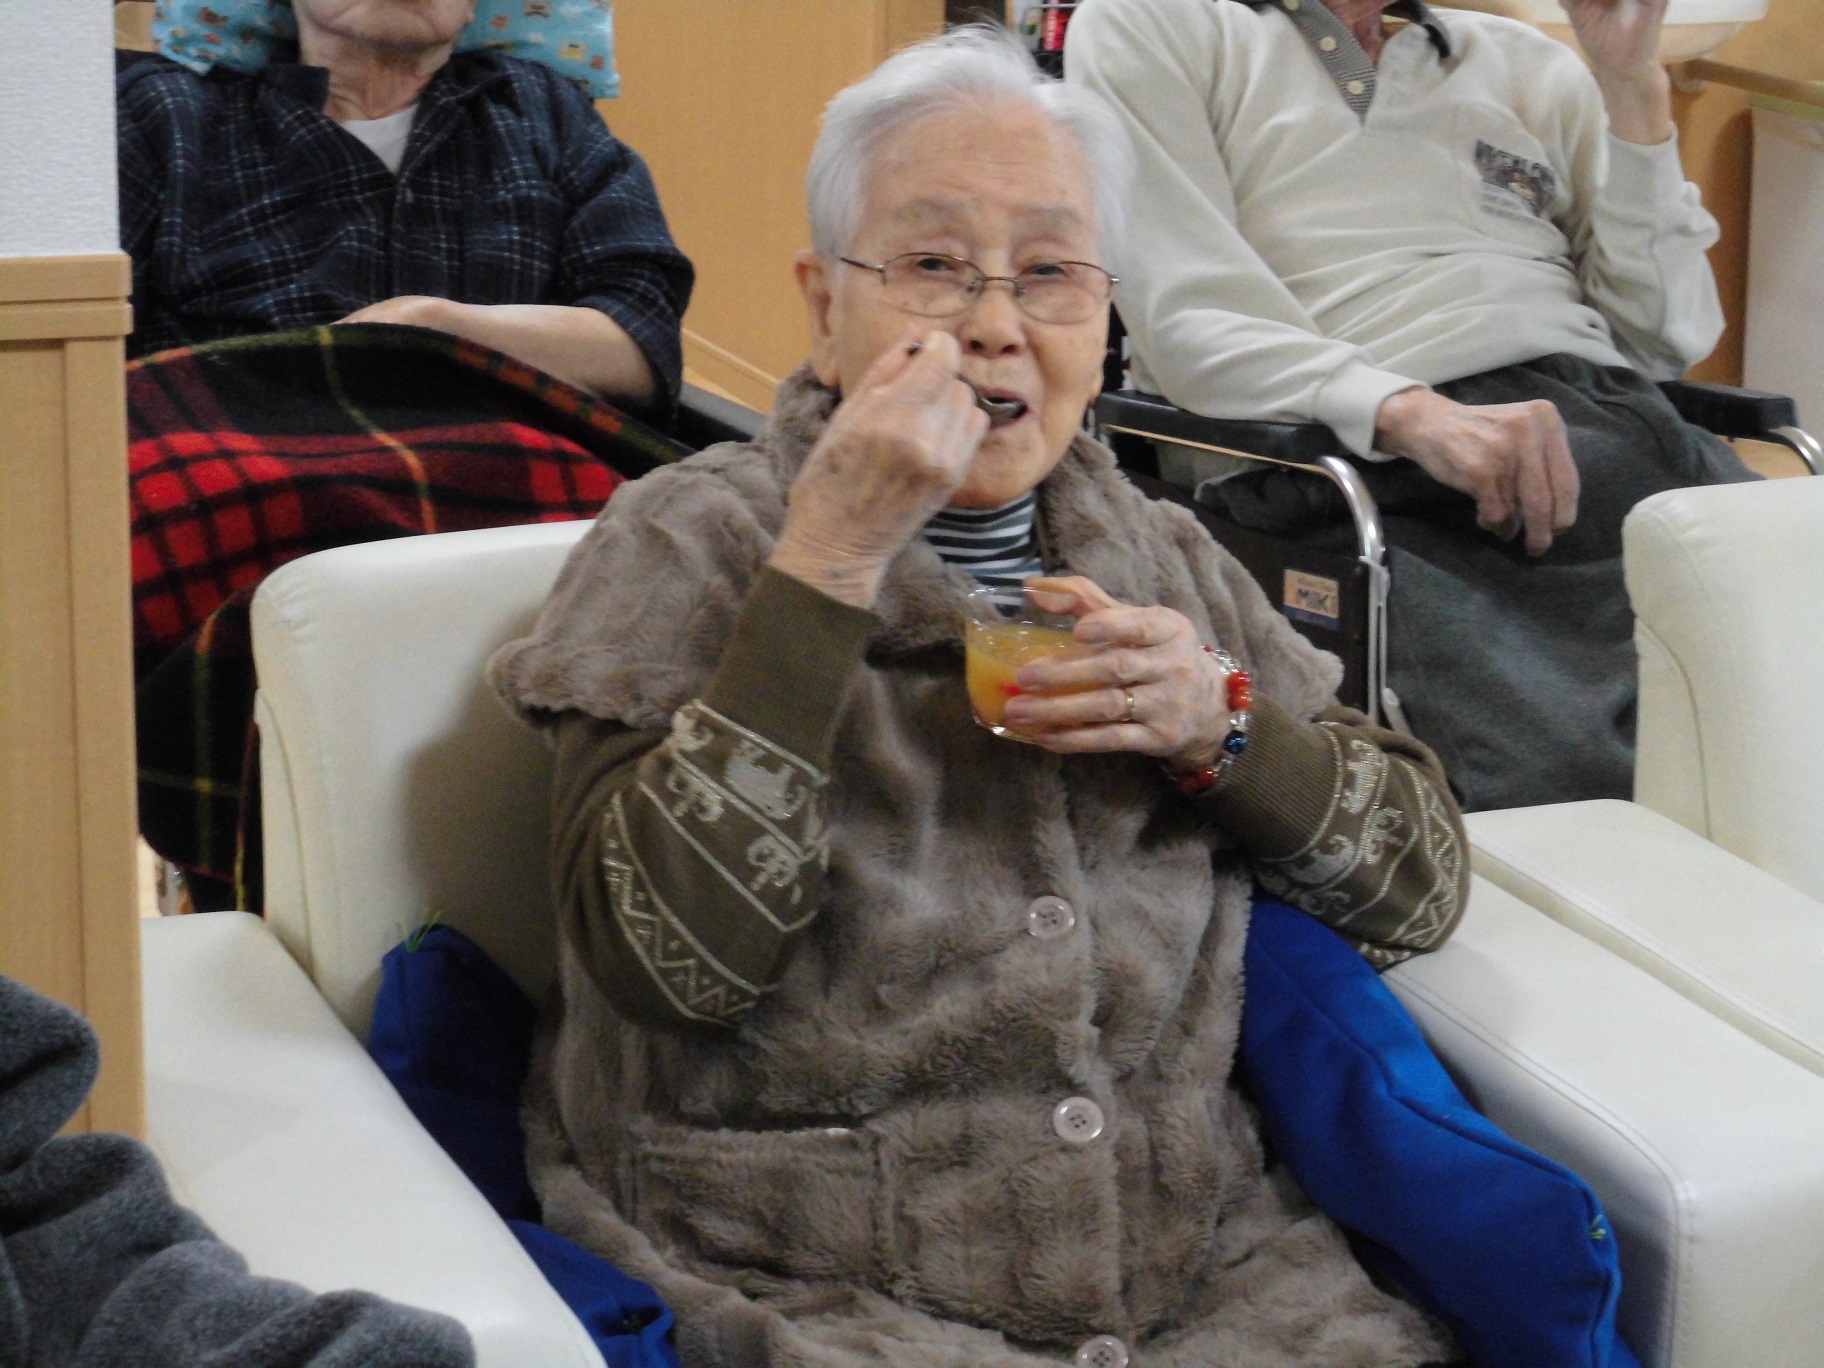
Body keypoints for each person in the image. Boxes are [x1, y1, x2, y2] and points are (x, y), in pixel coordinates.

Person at [490, 28, 1469, 1368]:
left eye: (1052, 273)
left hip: (1206, 1283)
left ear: (1106, 322)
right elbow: (670, 967)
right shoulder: (686, 543)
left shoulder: (1168, 559)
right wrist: (829, 561)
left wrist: (1221, 727)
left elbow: (1420, 891)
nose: (997, 324)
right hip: (800, 1283)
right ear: (823, 304)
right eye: (935, 267)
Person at [1066, 0, 1756, 811]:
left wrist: (1632, 83)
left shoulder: (1529, 65)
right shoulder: (1156, 23)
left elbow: (1666, 334)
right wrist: (1409, 413)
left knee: (1782, 731)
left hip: (1617, 433)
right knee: (1570, 794)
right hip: (1352, 464)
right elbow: (1188, 318)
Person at [117, 0, 693, 410]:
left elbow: (640, 341)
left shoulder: (543, 109)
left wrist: (430, 327)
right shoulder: (166, 112)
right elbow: (91, 352)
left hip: (506, 489)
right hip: (242, 476)